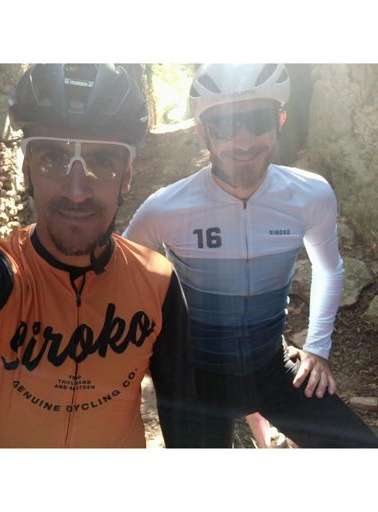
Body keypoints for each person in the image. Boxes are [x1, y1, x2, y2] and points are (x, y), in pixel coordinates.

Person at [0, 63, 201, 448]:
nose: (76, 192)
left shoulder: (157, 281)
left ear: (126, 176)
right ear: (26, 171)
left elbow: (185, 413)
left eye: (103, 161)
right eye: (53, 157)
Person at [124, 63, 378, 448]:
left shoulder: (310, 195)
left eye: (258, 120)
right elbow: (120, 282)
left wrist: (317, 347)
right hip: (196, 382)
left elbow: (329, 270)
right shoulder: (165, 208)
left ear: (279, 121)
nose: (243, 142)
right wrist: (145, 357)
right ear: (203, 133)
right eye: (225, 126)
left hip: (272, 368)